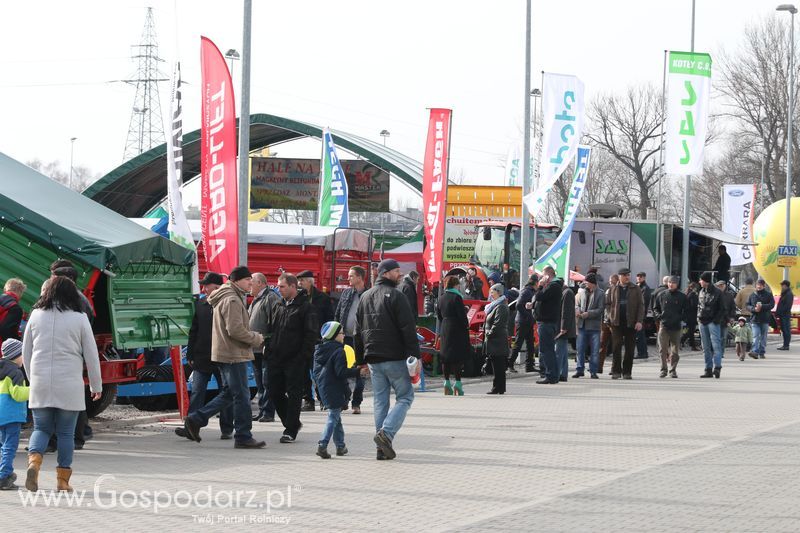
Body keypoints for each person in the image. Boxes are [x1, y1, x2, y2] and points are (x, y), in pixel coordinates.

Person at [22, 276, 102, 492]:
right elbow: (91, 354)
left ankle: (34, 462)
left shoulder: (36, 315)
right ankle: (62, 481)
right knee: (66, 433)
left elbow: (26, 351)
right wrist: (96, 385)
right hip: (69, 383)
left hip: (40, 381)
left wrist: (32, 378)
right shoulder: (79, 318)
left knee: (41, 428)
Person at [182, 266, 265, 449]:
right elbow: (234, 330)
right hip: (233, 353)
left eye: (251, 279)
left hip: (225, 352)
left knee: (230, 393)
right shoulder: (232, 299)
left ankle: (196, 419)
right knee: (242, 396)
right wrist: (256, 338)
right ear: (235, 281)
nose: (250, 283)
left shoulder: (227, 296)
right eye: (247, 280)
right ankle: (243, 436)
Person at [354, 258, 420, 461]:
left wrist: (360, 360)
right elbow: (407, 328)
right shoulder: (397, 296)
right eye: (396, 271)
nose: (400, 275)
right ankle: (386, 434)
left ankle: (381, 449)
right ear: (385, 273)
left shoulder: (364, 296)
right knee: (405, 397)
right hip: (394, 356)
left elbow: (357, 332)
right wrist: (415, 356)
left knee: (380, 402)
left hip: (373, 358)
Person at [176, 272, 234, 441]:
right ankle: (191, 426)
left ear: (216, 286)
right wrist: (191, 353)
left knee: (225, 393)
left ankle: (227, 428)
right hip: (202, 357)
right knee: (197, 391)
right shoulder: (201, 303)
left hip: (222, 357)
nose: (203, 288)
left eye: (205, 285)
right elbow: (194, 330)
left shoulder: (226, 303)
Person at [267, 273, 318, 444]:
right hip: (276, 358)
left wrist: (302, 357)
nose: (278, 289)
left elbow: (311, 335)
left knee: (295, 394)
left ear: (293, 287)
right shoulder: (279, 305)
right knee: (274, 391)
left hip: (295, 360)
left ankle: (290, 430)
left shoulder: (305, 307)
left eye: (282, 286)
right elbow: (273, 329)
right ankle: (293, 423)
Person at [312, 321, 363, 459]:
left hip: (324, 388)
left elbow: (316, 373)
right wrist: (358, 371)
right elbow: (341, 372)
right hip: (335, 388)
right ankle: (322, 444)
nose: (343, 335)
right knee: (333, 417)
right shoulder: (339, 351)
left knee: (336, 418)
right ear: (334, 335)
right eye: (341, 333)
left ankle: (340, 446)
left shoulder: (318, 351)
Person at [296, 271, 332, 412]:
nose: (299, 284)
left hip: (318, 341)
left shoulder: (322, 298)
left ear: (310, 281)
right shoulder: (299, 298)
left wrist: (326, 337)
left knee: (318, 372)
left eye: (302, 281)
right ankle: (308, 401)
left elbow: (329, 319)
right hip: (302, 341)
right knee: (304, 372)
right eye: (298, 281)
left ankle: (323, 399)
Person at [334, 266, 368, 414]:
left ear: (360, 277)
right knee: (342, 370)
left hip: (362, 340)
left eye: (351, 276)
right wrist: (336, 333)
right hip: (345, 338)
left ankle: (357, 402)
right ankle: (344, 399)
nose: (348, 278)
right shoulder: (346, 293)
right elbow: (338, 314)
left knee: (361, 370)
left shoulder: (369, 294)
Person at [249, 273, 279, 422]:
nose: (249, 285)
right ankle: (262, 410)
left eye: (252, 282)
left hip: (265, 348)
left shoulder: (270, 298)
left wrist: (269, 343)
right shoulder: (256, 299)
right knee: (260, 382)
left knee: (267, 382)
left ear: (260, 283)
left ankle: (268, 412)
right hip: (255, 349)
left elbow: (275, 324)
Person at [0, 338, 29, 490]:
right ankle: (4, 476)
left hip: (0, 416)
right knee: (10, 447)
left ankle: (5, 473)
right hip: (12, 416)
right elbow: (17, 394)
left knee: (2, 446)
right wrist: (33, 390)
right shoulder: (15, 373)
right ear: (16, 355)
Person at [607, 268, 644, 380]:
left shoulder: (635, 288)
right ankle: (616, 371)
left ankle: (627, 372)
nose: (627, 277)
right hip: (616, 322)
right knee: (616, 347)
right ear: (619, 277)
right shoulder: (613, 288)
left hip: (631, 323)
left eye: (628, 275)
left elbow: (641, 306)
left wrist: (639, 321)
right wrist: (610, 316)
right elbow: (608, 304)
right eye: (624, 275)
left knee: (630, 348)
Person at [437, 275, 471, 395]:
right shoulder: (457, 297)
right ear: (456, 285)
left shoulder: (441, 298)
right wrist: (466, 324)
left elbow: (439, 315)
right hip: (456, 328)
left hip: (445, 328)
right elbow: (462, 316)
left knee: (445, 357)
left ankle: (446, 383)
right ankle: (458, 384)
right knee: (457, 357)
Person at [532, 266, 563, 385]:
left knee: (546, 350)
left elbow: (539, 296)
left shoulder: (553, 286)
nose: (541, 277)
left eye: (543, 275)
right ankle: (553, 375)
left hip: (546, 322)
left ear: (548, 275)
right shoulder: (553, 286)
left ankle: (550, 375)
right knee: (549, 349)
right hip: (547, 321)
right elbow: (541, 299)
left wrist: (540, 285)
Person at [652, 276, 687, 378]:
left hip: (676, 327)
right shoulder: (662, 295)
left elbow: (687, 310)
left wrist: (680, 318)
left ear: (677, 284)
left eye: (673, 283)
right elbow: (655, 308)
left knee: (675, 350)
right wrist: (659, 316)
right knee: (662, 349)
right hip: (664, 326)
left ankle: (673, 370)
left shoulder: (682, 296)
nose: (671, 284)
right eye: (669, 282)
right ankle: (663, 369)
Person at [574, 273, 605, 379]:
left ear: (592, 283)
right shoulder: (582, 292)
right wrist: (577, 309)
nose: (585, 284)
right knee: (580, 349)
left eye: (586, 282)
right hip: (582, 325)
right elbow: (576, 303)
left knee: (594, 351)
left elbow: (600, 310)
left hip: (594, 327)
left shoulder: (600, 294)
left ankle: (593, 371)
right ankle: (579, 370)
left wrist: (588, 313)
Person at [697, 271, 725, 378]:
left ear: (706, 281)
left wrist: (715, 320)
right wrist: (698, 318)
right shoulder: (701, 292)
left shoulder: (717, 292)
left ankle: (717, 367)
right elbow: (699, 306)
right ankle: (708, 369)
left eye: (701, 280)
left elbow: (722, 309)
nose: (700, 282)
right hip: (702, 321)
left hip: (713, 322)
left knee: (716, 345)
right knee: (705, 347)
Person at [484, 283, 509, 394]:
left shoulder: (501, 306)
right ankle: (499, 388)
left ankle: (497, 388)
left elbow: (498, 323)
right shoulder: (495, 305)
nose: (491, 294)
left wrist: (489, 333)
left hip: (497, 340)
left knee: (498, 365)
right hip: (495, 340)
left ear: (498, 292)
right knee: (497, 365)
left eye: (492, 292)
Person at [510, 275, 537, 373]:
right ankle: (510, 363)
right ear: (535, 282)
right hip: (523, 321)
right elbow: (519, 305)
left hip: (527, 321)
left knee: (530, 344)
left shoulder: (531, 291)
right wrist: (528, 316)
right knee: (518, 343)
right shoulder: (526, 291)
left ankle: (529, 365)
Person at [746, 279, 774, 360]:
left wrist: (762, 306)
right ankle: (755, 351)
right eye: (757, 285)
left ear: (764, 286)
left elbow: (771, 305)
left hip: (765, 318)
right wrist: (754, 309)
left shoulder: (768, 294)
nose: (758, 286)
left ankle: (762, 352)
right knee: (755, 336)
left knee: (763, 336)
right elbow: (747, 305)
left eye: (760, 285)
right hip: (755, 319)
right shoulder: (752, 295)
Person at [598, 274, 619, 373]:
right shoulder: (607, 291)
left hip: (615, 321)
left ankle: (614, 368)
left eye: (612, 280)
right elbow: (604, 306)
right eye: (610, 280)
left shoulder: (619, 292)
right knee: (602, 344)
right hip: (605, 321)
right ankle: (599, 367)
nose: (610, 282)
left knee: (615, 345)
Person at [557, 279, 576, 382]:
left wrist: (563, 327)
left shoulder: (567, 293)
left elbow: (566, 311)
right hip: (564, 327)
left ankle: (559, 373)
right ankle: (563, 373)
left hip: (564, 328)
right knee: (563, 352)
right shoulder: (565, 292)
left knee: (560, 352)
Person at [0, 278, 26, 343]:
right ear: (20, 293)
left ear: (5, 289)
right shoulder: (15, 308)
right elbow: (6, 330)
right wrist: (18, 341)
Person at [716, 279, 737, 355]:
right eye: (719, 286)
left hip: (726, 320)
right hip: (716, 320)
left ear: (725, 286)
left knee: (724, 337)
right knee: (716, 337)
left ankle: (721, 352)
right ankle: (717, 352)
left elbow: (733, 307)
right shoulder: (714, 295)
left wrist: (732, 317)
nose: (721, 287)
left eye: (722, 285)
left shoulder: (729, 295)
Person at [634, 272, 651, 359]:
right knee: (638, 334)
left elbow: (643, 302)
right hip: (636, 314)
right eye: (638, 276)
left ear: (644, 278)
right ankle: (642, 352)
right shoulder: (637, 286)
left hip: (640, 315)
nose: (639, 278)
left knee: (639, 335)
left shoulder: (645, 288)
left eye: (641, 277)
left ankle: (642, 353)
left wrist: (641, 315)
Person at [775, 280, 794, 350]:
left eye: (782, 285)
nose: (781, 287)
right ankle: (785, 345)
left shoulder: (788, 294)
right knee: (784, 330)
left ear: (785, 286)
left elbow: (787, 305)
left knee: (786, 330)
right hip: (783, 315)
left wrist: (781, 312)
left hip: (785, 315)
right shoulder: (785, 293)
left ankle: (786, 345)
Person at [681, 282, 700, 351]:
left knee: (690, 331)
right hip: (692, 315)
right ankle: (683, 341)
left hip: (688, 315)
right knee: (691, 331)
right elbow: (694, 305)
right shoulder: (693, 295)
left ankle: (691, 345)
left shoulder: (687, 293)